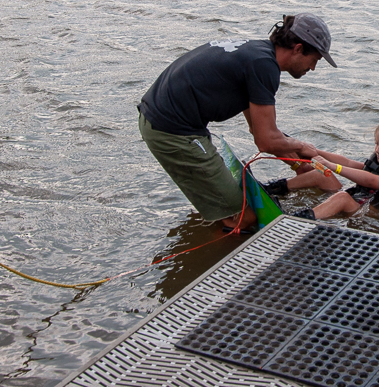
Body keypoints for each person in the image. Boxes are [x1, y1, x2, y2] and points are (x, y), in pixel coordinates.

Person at [137, 13, 336, 230]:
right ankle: (214, 257)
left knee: (230, 205)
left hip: (163, 121)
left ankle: (218, 221)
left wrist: (298, 165)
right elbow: (266, 142)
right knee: (245, 218)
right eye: (314, 60)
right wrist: (302, 146)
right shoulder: (264, 67)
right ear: (298, 48)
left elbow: (259, 130)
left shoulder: (255, 54)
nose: (313, 68)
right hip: (172, 131)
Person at [264, 116, 379, 220]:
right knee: (321, 174)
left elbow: (372, 180)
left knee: (342, 198)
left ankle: (297, 220)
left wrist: (332, 167)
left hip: (376, 213)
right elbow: (351, 164)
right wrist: (309, 150)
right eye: (376, 144)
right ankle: (272, 189)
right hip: (364, 200)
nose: (377, 150)